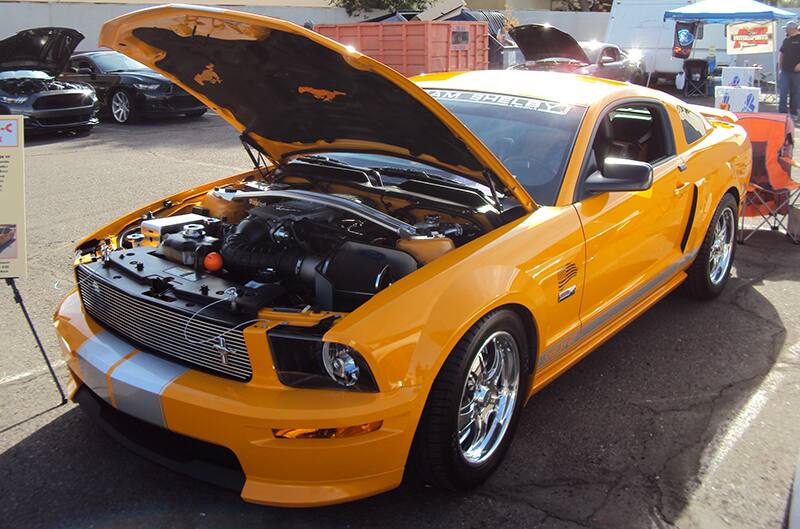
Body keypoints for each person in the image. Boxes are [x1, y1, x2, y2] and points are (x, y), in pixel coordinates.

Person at [779, 21, 800, 117]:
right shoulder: (786, 40)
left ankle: (794, 112)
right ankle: (782, 113)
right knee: (783, 91)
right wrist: (780, 67)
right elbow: (782, 53)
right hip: (785, 71)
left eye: (786, 28)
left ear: (792, 29)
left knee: (795, 92)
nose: (785, 30)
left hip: (797, 72)